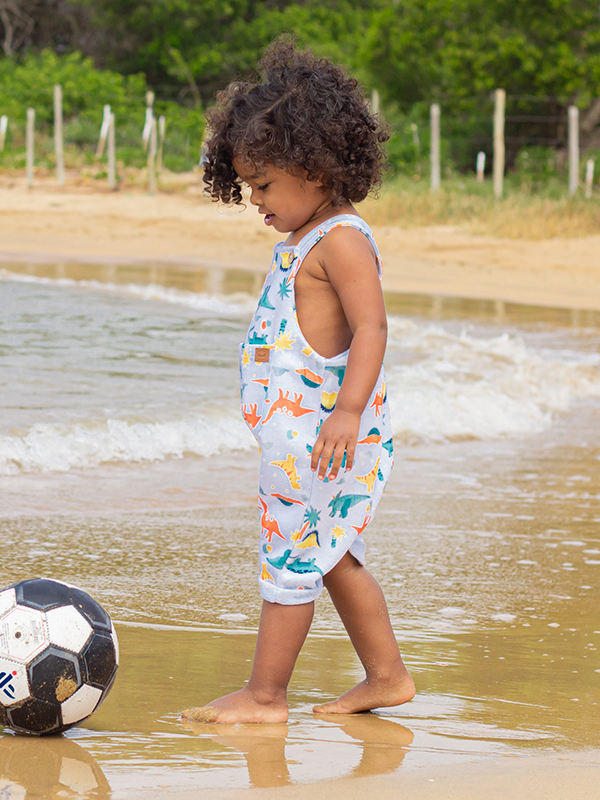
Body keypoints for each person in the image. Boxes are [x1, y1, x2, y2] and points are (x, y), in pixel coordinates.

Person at [185, 37, 414, 724]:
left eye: (263, 185)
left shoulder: (339, 240)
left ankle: (265, 696)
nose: (254, 200)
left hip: (322, 438)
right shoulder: (305, 239)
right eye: (247, 186)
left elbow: (371, 329)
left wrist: (347, 412)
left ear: (314, 169)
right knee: (333, 555)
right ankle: (387, 675)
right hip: (303, 438)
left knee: (291, 560)